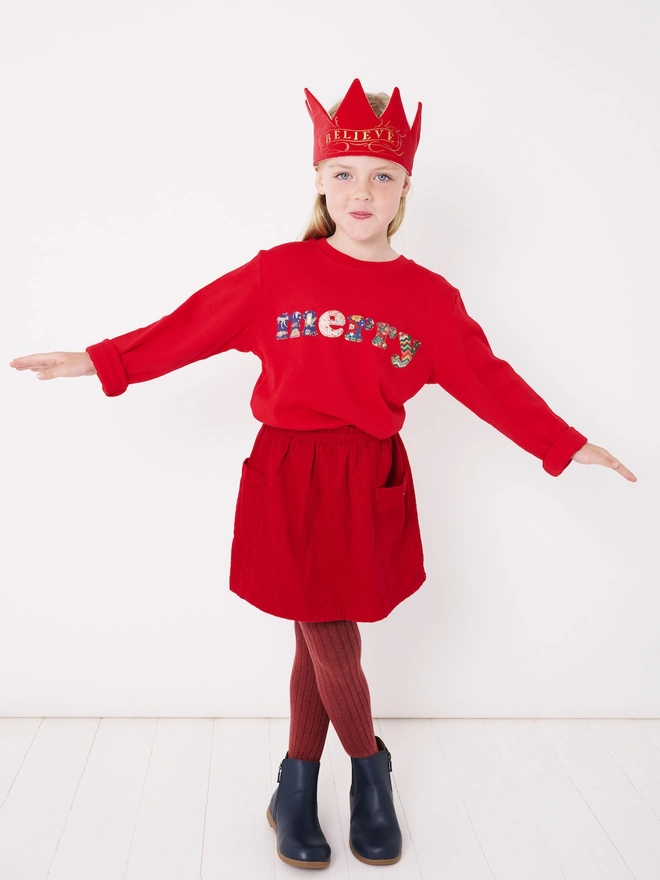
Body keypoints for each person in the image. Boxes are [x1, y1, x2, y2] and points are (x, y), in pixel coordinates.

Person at [9, 78, 637, 871]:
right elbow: (190, 327)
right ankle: (371, 776)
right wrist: (99, 359)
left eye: (381, 176)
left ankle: (296, 786)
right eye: (344, 173)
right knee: (328, 628)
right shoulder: (277, 276)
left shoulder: (429, 301)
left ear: (406, 186)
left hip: (366, 474)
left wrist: (563, 441)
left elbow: (490, 381)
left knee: (322, 628)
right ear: (318, 181)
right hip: (287, 469)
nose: (361, 190)